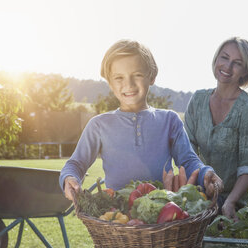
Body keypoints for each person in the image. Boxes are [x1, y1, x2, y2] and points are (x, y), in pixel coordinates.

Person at [60, 39, 223, 201]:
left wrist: (205, 173)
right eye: (119, 78)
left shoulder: (169, 120)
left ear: (151, 76)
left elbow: (188, 161)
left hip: (161, 212)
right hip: (118, 217)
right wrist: (69, 178)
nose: (128, 84)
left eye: (137, 75)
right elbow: (76, 164)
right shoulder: (98, 125)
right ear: (110, 83)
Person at [184, 37, 248, 220]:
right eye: (224, 58)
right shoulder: (198, 100)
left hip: (232, 204)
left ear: (245, 71)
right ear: (216, 59)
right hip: (198, 198)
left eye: (237, 63)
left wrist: (229, 203)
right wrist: (199, 186)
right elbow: (186, 151)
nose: (227, 67)